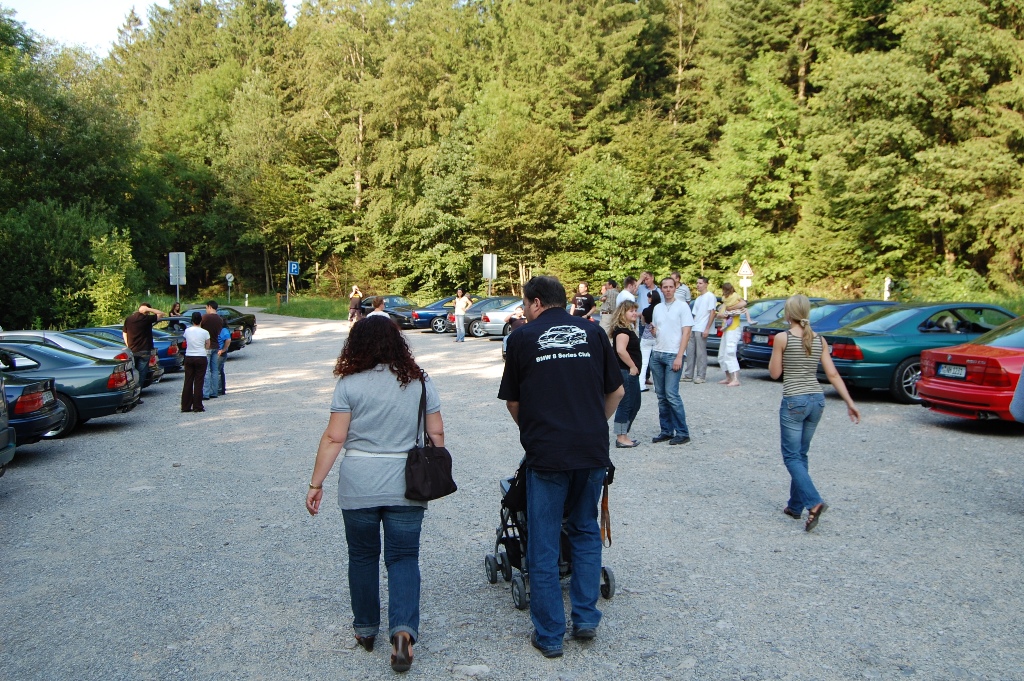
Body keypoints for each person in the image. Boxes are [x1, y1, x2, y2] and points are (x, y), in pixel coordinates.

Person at [306, 316, 445, 673]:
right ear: (399, 342)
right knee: (404, 557)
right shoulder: (420, 380)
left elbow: (334, 437)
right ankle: (403, 632)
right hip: (407, 483)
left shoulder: (349, 383)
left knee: (362, 557)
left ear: (356, 344)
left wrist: (316, 483)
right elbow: (437, 434)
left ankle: (366, 629)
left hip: (359, 483)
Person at [498, 276, 623, 658]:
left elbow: (513, 402)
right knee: (585, 530)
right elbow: (617, 391)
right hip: (591, 451)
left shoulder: (521, 337)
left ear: (536, 302)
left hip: (547, 453)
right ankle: (585, 619)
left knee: (544, 540)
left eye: (525, 304)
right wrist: (591, 426)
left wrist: (536, 433)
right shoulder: (594, 332)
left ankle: (550, 635)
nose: (524, 311)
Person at [769, 295, 860, 532]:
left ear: (788, 314)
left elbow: (775, 373)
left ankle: (814, 502)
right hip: (816, 401)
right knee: (801, 454)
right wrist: (849, 402)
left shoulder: (782, 338)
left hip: (794, 401)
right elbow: (833, 374)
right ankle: (795, 506)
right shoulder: (819, 339)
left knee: (791, 457)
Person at [649, 277, 694, 445]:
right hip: (657, 353)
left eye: (670, 287)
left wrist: (679, 356)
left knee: (672, 394)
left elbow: (686, 332)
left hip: (673, 354)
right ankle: (666, 430)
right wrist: (653, 332)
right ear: (661, 289)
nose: (668, 290)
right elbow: (656, 329)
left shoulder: (682, 307)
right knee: (661, 396)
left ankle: (682, 432)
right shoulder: (658, 308)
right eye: (665, 287)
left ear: (675, 288)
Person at [611, 301, 642, 448]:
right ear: (622, 313)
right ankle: (621, 437)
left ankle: (624, 433)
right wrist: (632, 366)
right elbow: (620, 350)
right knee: (626, 403)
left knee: (635, 403)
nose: (634, 313)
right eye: (631, 311)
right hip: (625, 371)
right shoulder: (622, 331)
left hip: (629, 372)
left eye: (635, 310)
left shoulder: (628, 329)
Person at [123, 301, 166, 394]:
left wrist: (128, 345)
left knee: (132, 372)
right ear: (146, 311)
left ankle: (132, 393)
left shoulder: (129, 319)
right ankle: (138, 393)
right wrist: (148, 309)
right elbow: (161, 314)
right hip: (144, 350)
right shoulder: (146, 319)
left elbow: (124, 333)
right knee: (141, 373)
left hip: (132, 350)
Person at [684, 276, 717, 384]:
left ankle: (701, 376)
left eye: (700, 283)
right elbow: (694, 314)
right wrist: (690, 328)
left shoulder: (710, 296)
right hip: (695, 326)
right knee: (690, 352)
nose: (698, 285)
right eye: (697, 283)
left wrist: (707, 328)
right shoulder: (698, 299)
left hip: (702, 327)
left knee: (701, 353)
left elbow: (712, 312)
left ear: (706, 284)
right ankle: (688, 374)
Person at [716, 283, 746, 387]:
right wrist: (723, 313)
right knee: (721, 355)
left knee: (730, 352)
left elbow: (743, 303)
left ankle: (735, 379)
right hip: (726, 329)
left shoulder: (736, 299)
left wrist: (730, 308)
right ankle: (728, 377)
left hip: (733, 329)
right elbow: (719, 314)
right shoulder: (725, 302)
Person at [181, 312, 210, 413]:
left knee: (188, 381)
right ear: (201, 320)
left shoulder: (187, 331)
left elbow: (185, 341)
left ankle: (185, 405)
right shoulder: (205, 332)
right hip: (201, 356)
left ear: (192, 320)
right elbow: (208, 345)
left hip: (189, 356)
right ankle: (197, 405)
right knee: (199, 381)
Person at [201, 300, 225, 399]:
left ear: (210, 307)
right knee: (215, 370)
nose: (206, 310)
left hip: (207, 346)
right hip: (216, 345)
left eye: (206, 308)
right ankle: (214, 391)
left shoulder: (205, 317)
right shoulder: (220, 319)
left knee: (206, 370)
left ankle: (205, 393)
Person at [638, 289, 660, 392]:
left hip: (646, 336)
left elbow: (643, 323)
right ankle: (657, 386)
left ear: (651, 298)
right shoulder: (661, 309)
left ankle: (641, 384)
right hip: (657, 337)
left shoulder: (646, 310)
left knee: (644, 362)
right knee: (656, 363)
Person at [216, 326, 230, 395]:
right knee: (220, 370)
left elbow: (228, 339)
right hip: (218, 352)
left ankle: (219, 389)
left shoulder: (223, 330)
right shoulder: (219, 329)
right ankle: (221, 389)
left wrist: (223, 350)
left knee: (217, 371)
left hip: (221, 353)